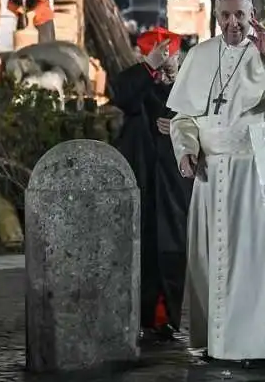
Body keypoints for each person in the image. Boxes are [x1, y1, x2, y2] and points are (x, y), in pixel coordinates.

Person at [167, 0, 265, 366]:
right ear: (217, 18)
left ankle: (256, 346)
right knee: (211, 261)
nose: (233, 23)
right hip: (210, 174)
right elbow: (183, 117)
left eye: (239, 15)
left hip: (257, 173)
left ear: (252, 14)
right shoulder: (199, 56)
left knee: (254, 262)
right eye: (225, 16)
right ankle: (217, 344)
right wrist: (185, 150)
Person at [110, 27, 193, 342]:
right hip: (140, 175)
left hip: (174, 181)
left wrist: (182, 126)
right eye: (161, 55)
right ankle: (136, 314)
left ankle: (165, 315)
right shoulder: (138, 85)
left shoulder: (186, 88)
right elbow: (121, 94)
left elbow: (207, 119)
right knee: (137, 245)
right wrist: (148, 67)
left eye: (171, 55)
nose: (167, 62)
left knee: (173, 245)